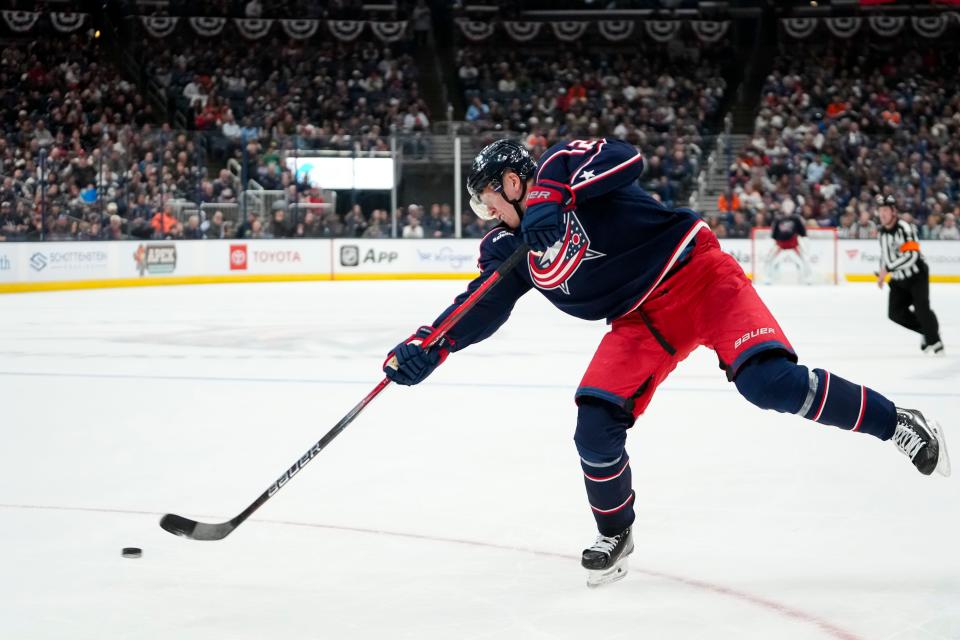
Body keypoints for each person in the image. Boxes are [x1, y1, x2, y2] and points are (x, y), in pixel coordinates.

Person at [382, 139, 951, 588]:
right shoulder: (508, 248)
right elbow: (480, 304)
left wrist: (555, 194)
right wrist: (429, 345)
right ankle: (615, 532)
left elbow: (627, 158)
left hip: (700, 276)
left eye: (488, 198)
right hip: (641, 321)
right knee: (593, 427)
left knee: (769, 382)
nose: (485, 212)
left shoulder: (563, 168)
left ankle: (899, 422)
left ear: (513, 181)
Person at [876, 194, 944, 355]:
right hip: (899, 280)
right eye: (880, 210)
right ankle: (927, 331)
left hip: (916, 276)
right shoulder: (881, 233)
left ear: (893, 211)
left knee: (922, 309)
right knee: (895, 313)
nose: (882, 214)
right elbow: (885, 255)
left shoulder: (905, 228)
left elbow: (912, 255)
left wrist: (888, 268)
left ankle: (935, 341)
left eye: (885, 210)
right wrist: (881, 272)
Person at [762, 208, 811, 285]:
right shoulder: (778, 219)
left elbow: (803, 233)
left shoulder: (796, 219)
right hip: (780, 244)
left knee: (805, 259)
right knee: (769, 259)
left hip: (793, 244)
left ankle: (807, 279)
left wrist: (805, 242)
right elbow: (773, 235)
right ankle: (768, 278)